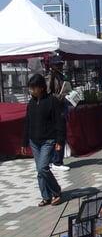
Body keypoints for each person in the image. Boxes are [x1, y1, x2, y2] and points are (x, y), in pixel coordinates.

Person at [22, 74, 64, 207]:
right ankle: (46, 196)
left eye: (33, 88)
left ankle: (56, 191)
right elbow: (27, 122)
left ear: (41, 87)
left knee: (42, 168)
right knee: (39, 170)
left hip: (48, 140)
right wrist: (24, 142)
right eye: (30, 88)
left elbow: (59, 122)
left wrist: (59, 141)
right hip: (34, 141)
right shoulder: (31, 103)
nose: (31, 91)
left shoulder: (52, 101)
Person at [48, 55, 71, 172]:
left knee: (60, 136)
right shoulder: (50, 77)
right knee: (58, 136)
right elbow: (48, 95)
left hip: (62, 108)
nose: (60, 66)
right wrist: (60, 96)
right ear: (52, 66)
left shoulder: (60, 76)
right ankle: (56, 161)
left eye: (61, 64)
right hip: (55, 109)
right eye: (58, 65)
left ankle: (56, 160)